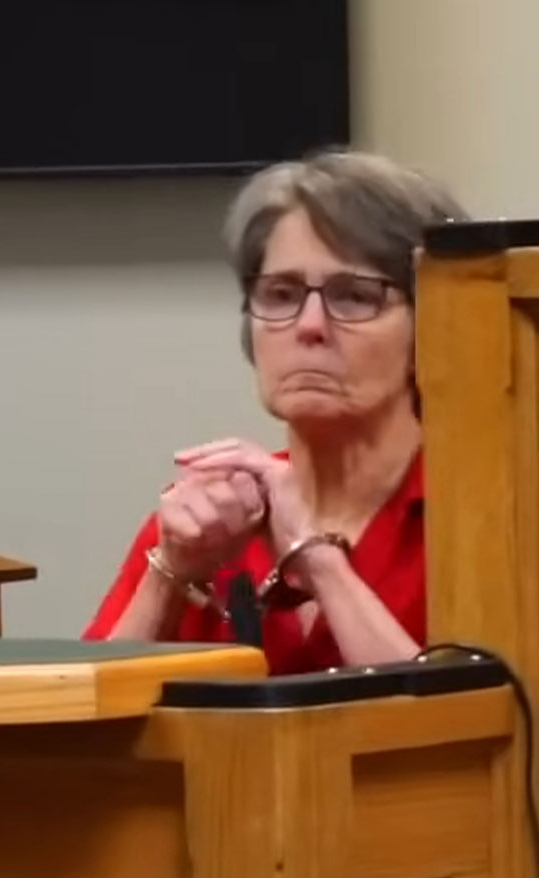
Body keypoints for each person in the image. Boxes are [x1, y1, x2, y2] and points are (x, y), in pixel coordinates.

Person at [83, 150, 466, 674]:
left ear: (432, 324)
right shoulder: (210, 516)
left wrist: (319, 561)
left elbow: (474, 717)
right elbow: (85, 710)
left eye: (354, 297)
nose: (309, 326)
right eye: (282, 295)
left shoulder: (480, 514)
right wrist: (170, 572)